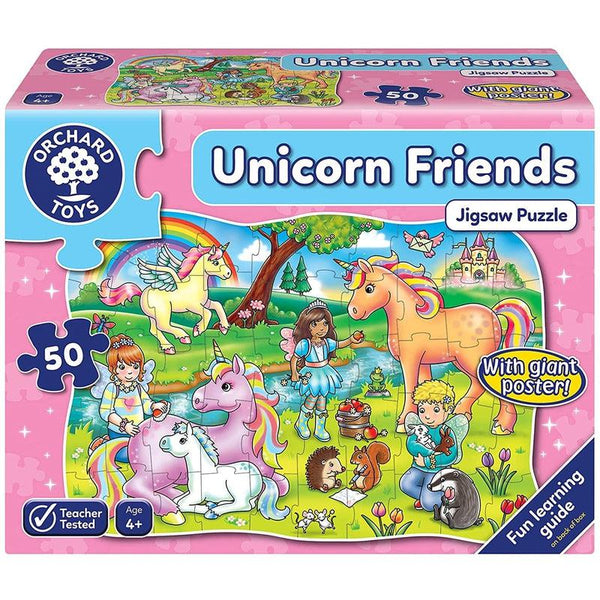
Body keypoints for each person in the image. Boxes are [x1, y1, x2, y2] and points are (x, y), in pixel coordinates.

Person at [284, 299, 362, 442]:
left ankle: (320, 428)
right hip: (311, 374)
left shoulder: (327, 342)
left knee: (322, 399)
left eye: (325, 323)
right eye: (315, 324)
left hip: (325, 373)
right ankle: (301, 423)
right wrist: (294, 373)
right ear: (307, 326)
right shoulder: (305, 344)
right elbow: (294, 359)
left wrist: (351, 339)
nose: (321, 328)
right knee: (312, 397)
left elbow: (340, 344)